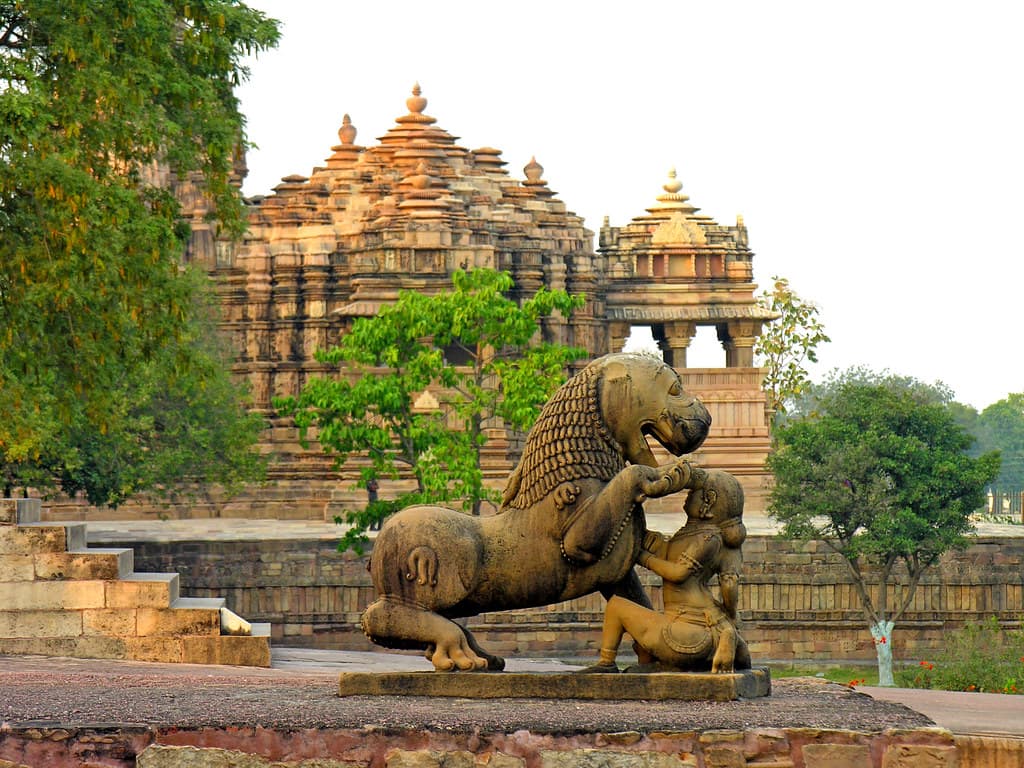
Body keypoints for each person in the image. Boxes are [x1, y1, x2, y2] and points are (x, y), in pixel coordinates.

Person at [583, 469, 751, 673]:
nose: (688, 495)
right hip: (709, 621)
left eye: (693, 493)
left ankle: (606, 663)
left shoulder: (707, 539)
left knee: (617, 606)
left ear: (708, 501)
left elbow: (678, 573)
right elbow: (729, 584)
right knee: (644, 626)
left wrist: (643, 558)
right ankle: (652, 665)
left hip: (687, 629)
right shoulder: (702, 534)